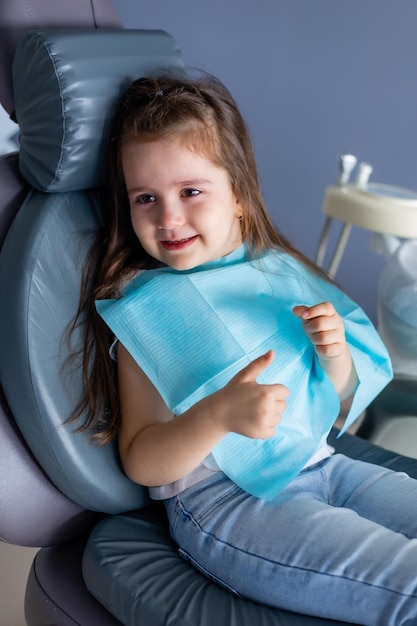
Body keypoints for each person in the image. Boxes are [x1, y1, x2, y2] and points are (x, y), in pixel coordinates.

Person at [75, 72, 417, 625]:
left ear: (237, 194)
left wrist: (334, 356)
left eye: (190, 191)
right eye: (146, 199)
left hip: (326, 466)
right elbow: (141, 458)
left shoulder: (272, 270)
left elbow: (332, 401)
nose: (168, 217)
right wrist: (216, 414)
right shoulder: (145, 311)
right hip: (231, 506)